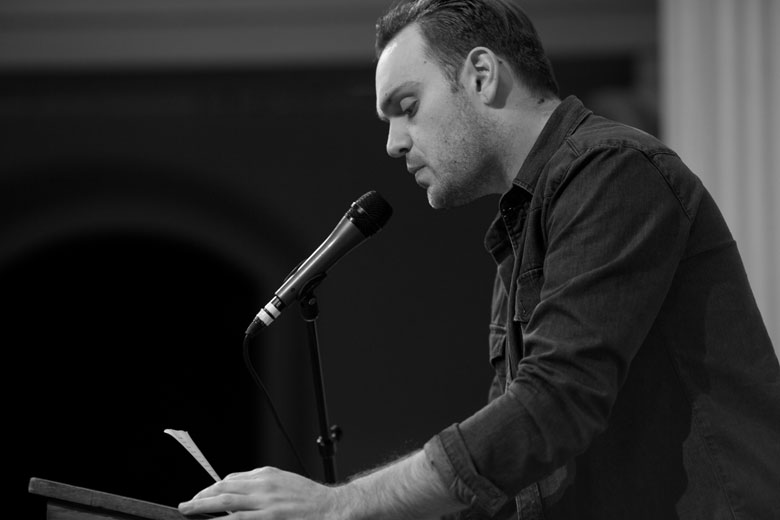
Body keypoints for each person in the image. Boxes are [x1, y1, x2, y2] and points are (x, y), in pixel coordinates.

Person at [177, 1, 780, 518]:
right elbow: (511, 473)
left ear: (482, 75)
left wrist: (341, 505)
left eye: (407, 105)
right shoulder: (521, 229)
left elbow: (553, 404)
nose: (393, 143)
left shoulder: (612, 169)